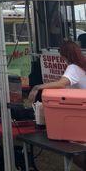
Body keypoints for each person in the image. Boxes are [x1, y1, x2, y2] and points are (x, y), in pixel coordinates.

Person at [27, 41, 86, 171]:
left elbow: (61, 84)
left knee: (70, 149)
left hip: (80, 116)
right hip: (81, 112)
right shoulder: (83, 66)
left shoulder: (73, 68)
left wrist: (38, 87)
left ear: (65, 55)